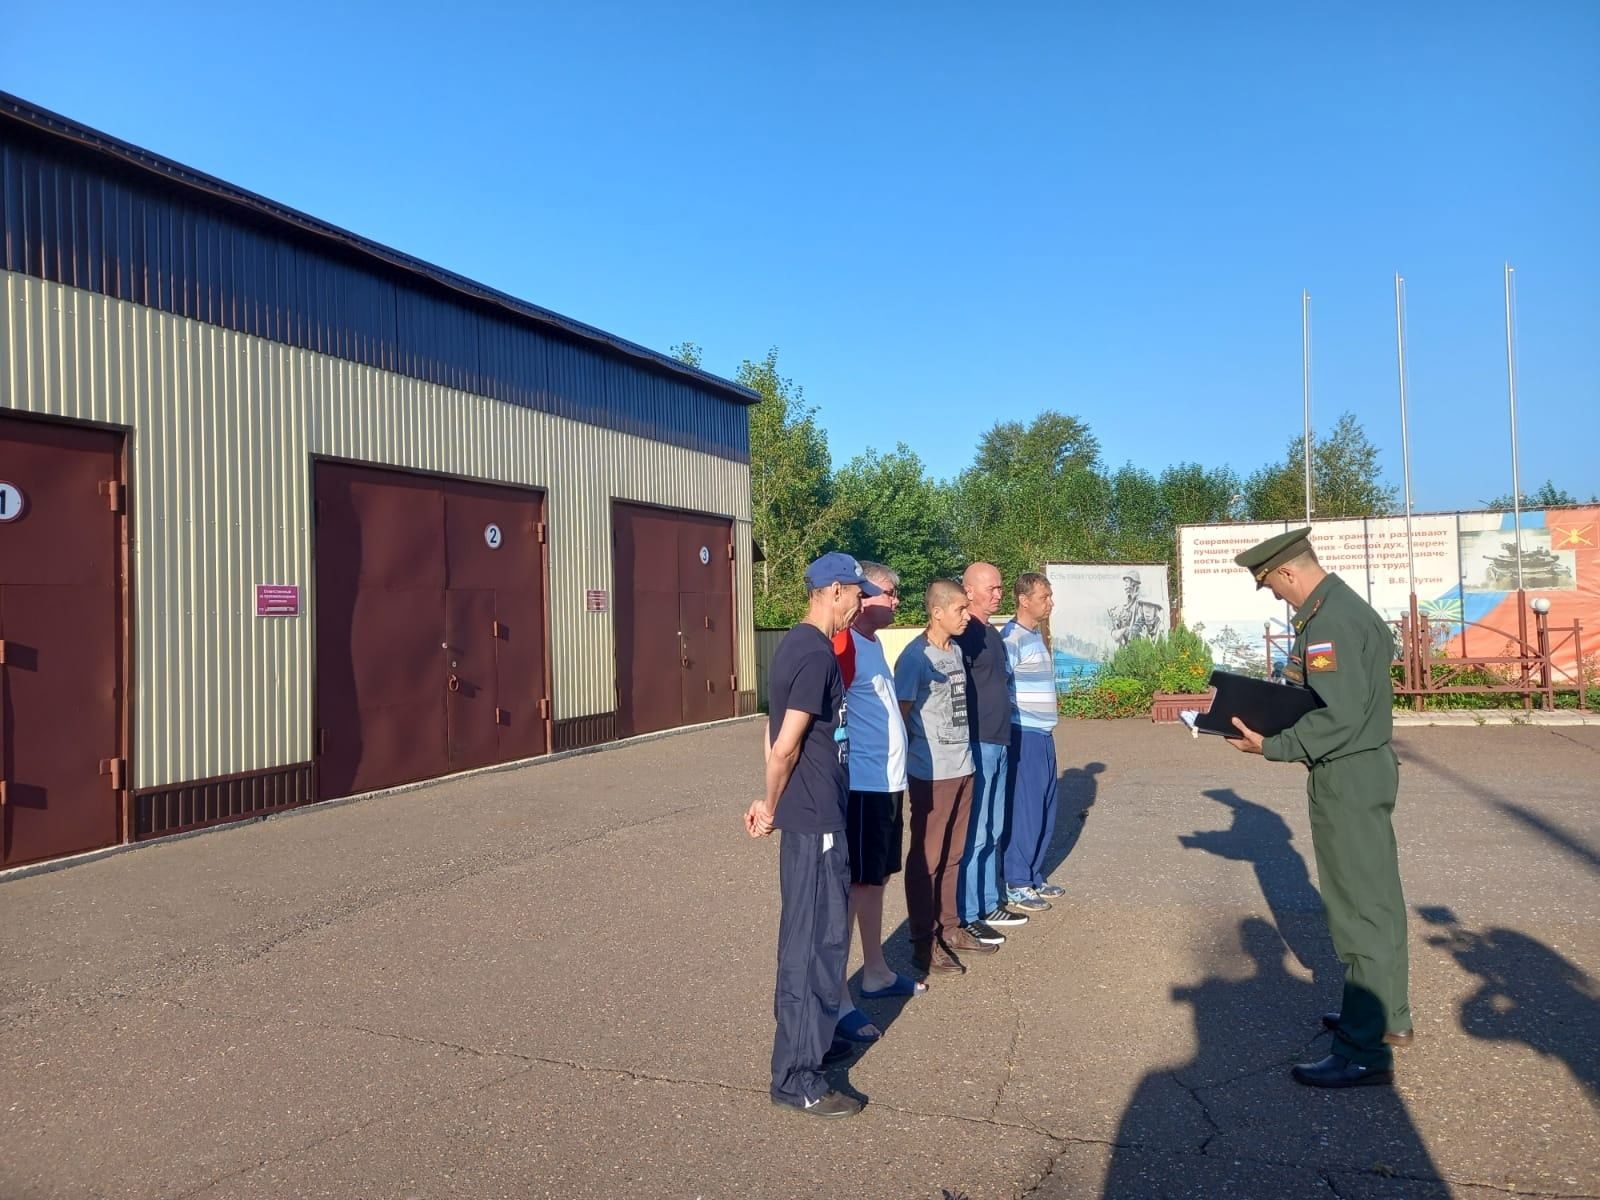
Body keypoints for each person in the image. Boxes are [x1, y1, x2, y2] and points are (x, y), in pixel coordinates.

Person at [1227, 528, 1411, 1089]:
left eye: (1274, 589)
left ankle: (1362, 1051)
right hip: (1367, 766)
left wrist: (1273, 745)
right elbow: (1331, 693)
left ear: (1287, 574)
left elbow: (1339, 716)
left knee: (1359, 912)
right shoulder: (1348, 608)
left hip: (1346, 773)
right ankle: (1386, 1018)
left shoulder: (1326, 621)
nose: (1278, 599)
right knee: (1379, 897)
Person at [746, 551, 881, 1118]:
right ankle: (796, 1076)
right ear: (832, 591)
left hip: (821, 812)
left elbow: (773, 730)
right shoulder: (812, 652)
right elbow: (786, 744)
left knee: (825, 940)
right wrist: (770, 804)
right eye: (856, 592)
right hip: (813, 821)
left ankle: (818, 1039)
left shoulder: (808, 649)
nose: (860, 602)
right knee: (811, 947)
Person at [830, 562, 927, 1045]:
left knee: (876, 881)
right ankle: (839, 997)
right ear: (862, 596)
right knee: (853, 889)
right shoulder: (844, 643)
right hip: (863, 787)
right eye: (890, 593)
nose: (896, 602)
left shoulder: (872, 645)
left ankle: (875, 971)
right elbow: (824, 712)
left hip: (887, 785)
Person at [894, 579, 997, 975]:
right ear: (937, 612)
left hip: (964, 767)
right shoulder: (915, 658)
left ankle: (950, 928)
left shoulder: (953, 650)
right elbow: (900, 718)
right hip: (932, 774)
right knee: (928, 858)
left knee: (955, 854)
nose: (967, 616)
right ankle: (923, 943)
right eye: (959, 609)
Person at [954, 562, 1029, 938]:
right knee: (977, 830)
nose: (999, 594)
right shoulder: (965, 633)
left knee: (994, 827)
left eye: (1000, 588)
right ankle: (968, 913)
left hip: (1000, 739)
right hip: (978, 741)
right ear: (968, 591)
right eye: (992, 588)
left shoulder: (992, 632)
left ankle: (988, 902)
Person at [1001, 572, 1065, 905]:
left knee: (1045, 807)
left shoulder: (1035, 634)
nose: (1050, 602)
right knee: (1025, 809)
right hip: (1023, 733)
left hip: (1043, 733)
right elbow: (1000, 686)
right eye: (1044, 597)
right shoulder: (1011, 639)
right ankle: (1016, 881)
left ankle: (1034, 875)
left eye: (1050, 596)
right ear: (1024, 600)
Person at [1109, 567, 1164, 647]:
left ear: (1134, 584)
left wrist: (1126, 630)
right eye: (1125, 583)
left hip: (1141, 647)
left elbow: (1142, 625)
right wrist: (1116, 633)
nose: (1125, 586)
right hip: (1126, 648)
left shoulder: (1142, 603)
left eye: (1127, 582)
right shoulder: (1124, 606)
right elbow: (1116, 630)